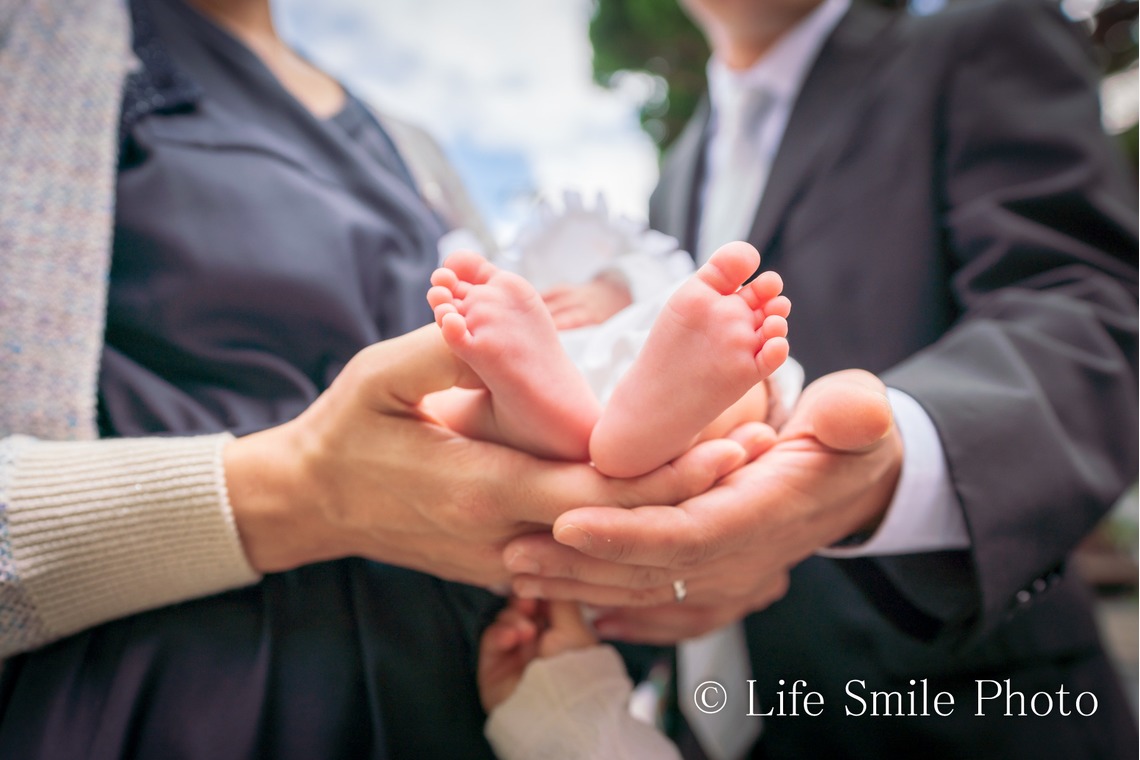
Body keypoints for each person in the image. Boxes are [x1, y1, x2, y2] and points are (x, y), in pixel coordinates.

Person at [0, 0, 767, 757]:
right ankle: (591, 424)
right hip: (184, 692)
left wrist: (646, 561)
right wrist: (301, 491)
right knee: (484, 370)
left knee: (485, 385)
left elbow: (465, 472)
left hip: (462, 689)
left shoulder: (408, 145)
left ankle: (598, 428)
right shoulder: (35, 40)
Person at [499, 0, 1139, 757]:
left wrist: (888, 466)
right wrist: (629, 597)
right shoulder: (675, 178)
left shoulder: (974, 38)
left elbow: (1085, 310)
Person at [426, 242, 790, 476]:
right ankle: (655, 437)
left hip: (593, 364)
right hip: (625, 361)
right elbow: (654, 261)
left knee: (441, 407)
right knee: (750, 392)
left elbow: (647, 265)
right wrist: (619, 288)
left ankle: (516, 423)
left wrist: (614, 287)